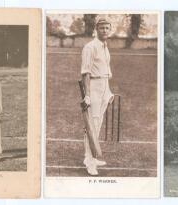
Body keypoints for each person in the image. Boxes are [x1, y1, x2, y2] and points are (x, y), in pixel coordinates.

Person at [80, 18, 113, 175]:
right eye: (102, 28)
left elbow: (105, 71)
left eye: (107, 28)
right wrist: (87, 95)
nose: (105, 30)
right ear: (96, 29)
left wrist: (108, 91)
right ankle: (90, 162)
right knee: (91, 127)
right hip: (93, 88)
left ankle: (91, 157)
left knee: (97, 126)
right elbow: (85, 72)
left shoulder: (105, 47)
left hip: (104, 88)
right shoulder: (90, 47)